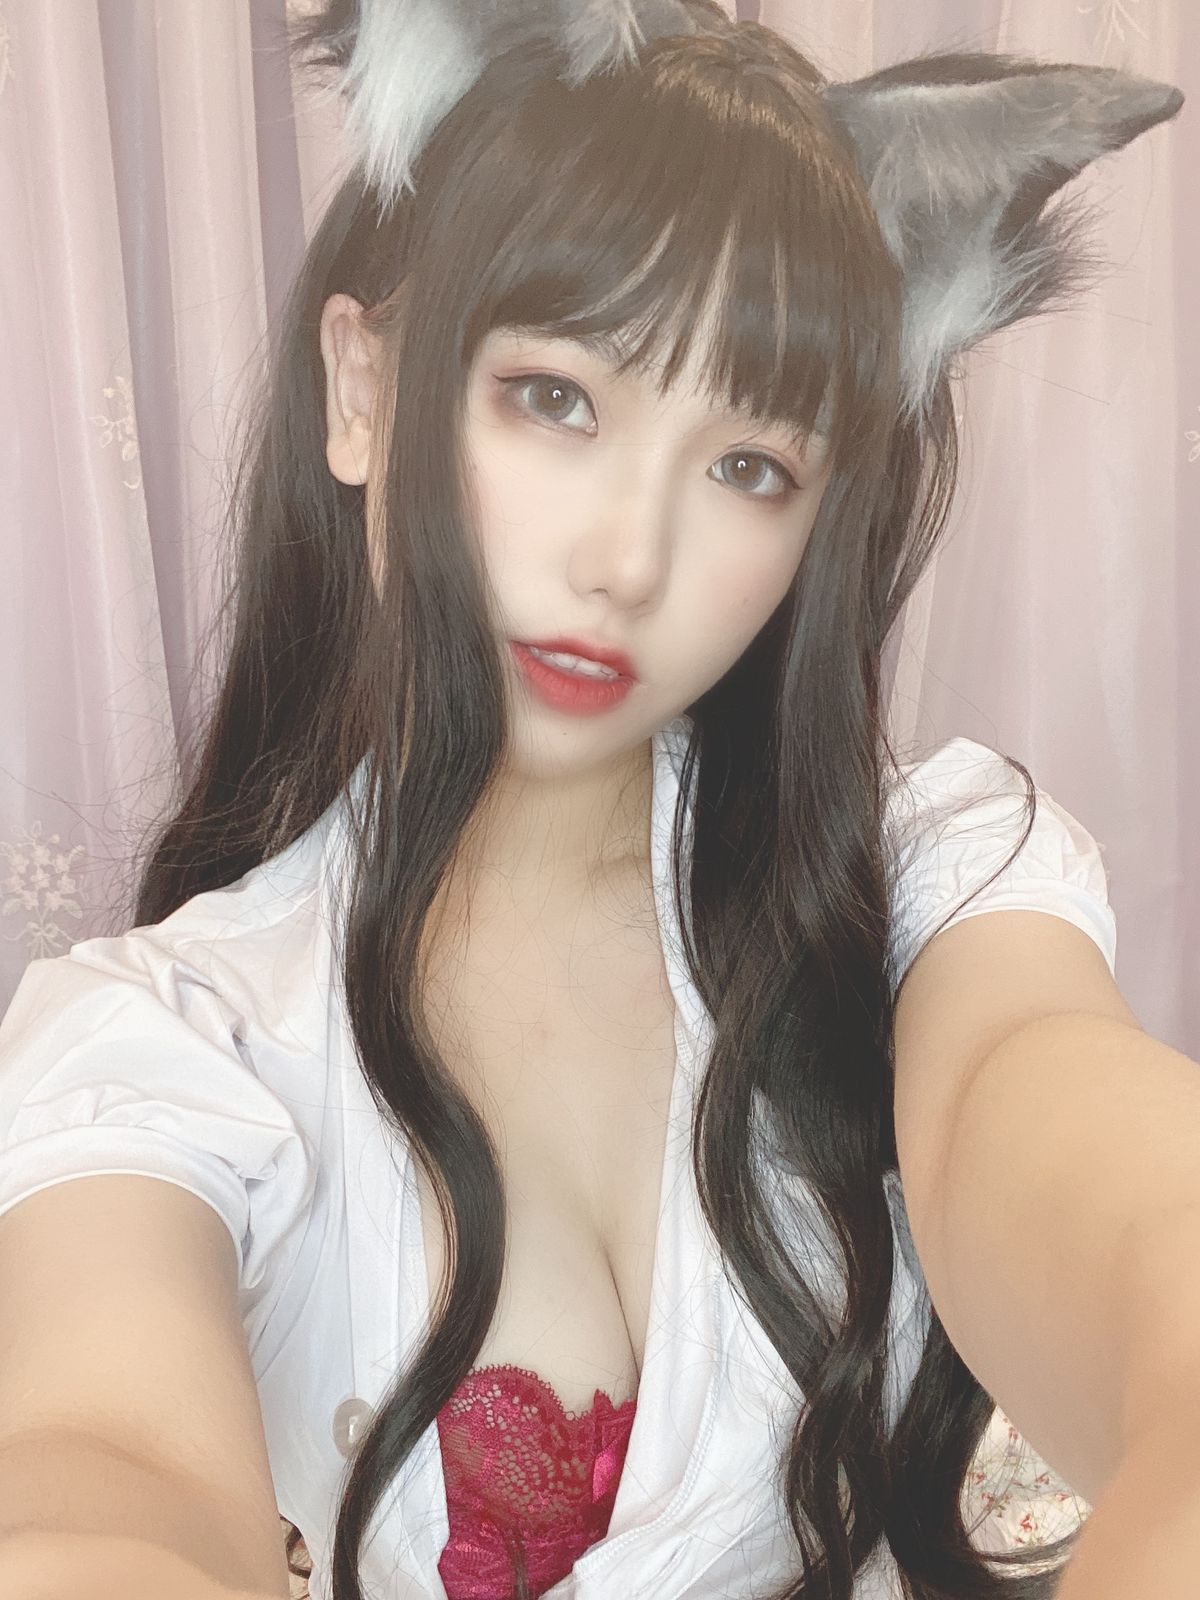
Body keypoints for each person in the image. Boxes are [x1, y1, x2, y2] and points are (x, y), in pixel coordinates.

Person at [0, 3, 1184, 1598]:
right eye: (555, 397)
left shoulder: (930, 891)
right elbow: (96, 1475)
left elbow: (1095, 1164)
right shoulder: (168, 1043)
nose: (629, 559)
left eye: (751, 466)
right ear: (362, 389)